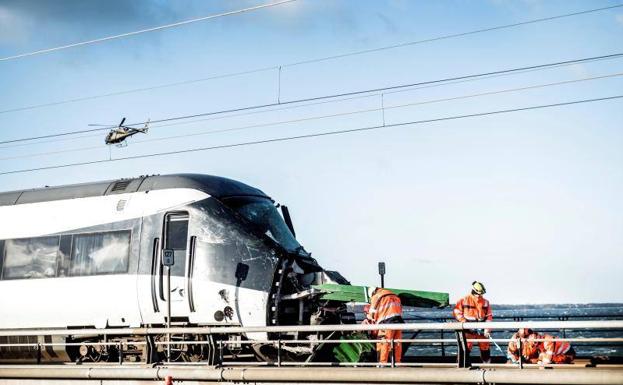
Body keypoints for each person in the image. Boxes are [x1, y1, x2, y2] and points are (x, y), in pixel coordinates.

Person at [453, 281, 493, 363]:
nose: (481, 295)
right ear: (474, 291)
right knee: (466, 347)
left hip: (481, 330)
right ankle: (461, 365)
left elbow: (489, 316)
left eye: (482, 293)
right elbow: (457, 312)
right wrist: (465, 323)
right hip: (468, 330)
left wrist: (487, 329)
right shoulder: (463, 300)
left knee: (485, 347)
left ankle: (487, 365)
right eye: (479, 293)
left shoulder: (485, 302)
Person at [366, 286, 403, 364]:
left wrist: (368, 317)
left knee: (383, 343)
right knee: (397, 343)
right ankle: (397, 362)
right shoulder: (394, 296)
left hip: (386, 323)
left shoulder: (376, 296)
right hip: (398, 322)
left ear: (372, 293)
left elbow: (372, 313)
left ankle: (382, 363)